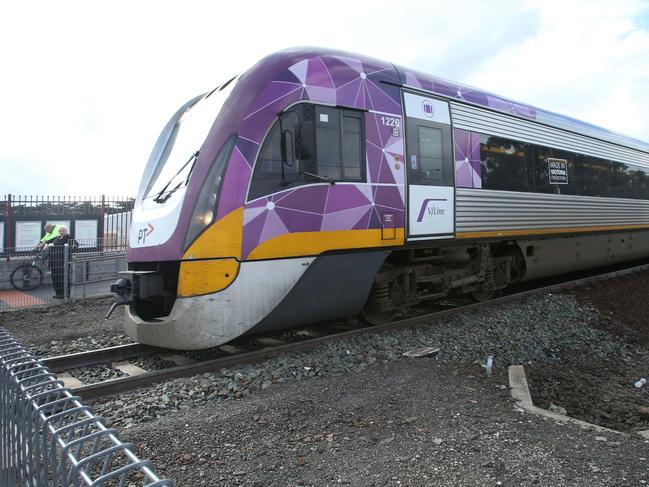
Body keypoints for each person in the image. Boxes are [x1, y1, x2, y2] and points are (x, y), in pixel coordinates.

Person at [49, 226, 77, 299]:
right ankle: (58, 293)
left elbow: (75, 245)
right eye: (60, 231)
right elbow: (49, 242)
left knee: (63, 277)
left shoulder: (69, 238)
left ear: (66, 231)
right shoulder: (57, 238)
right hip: (54, 262)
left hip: (63, 262)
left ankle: (66, 293)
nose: (62, 232)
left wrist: (54, 245)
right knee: (55, 278)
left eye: (63, 230)